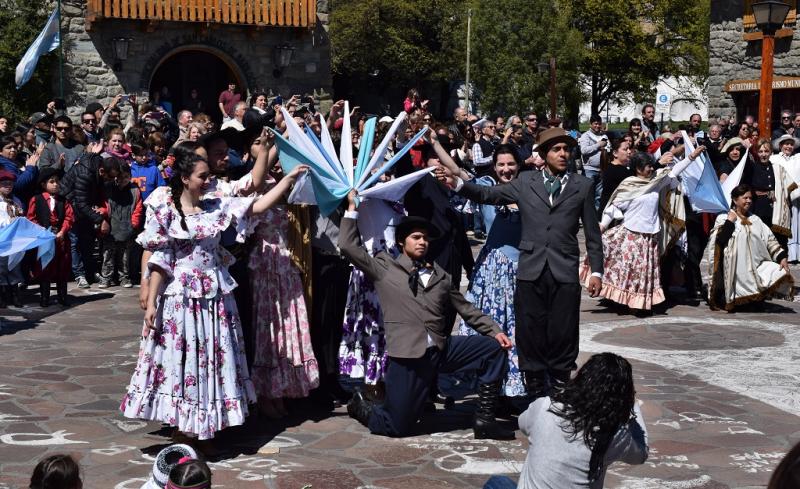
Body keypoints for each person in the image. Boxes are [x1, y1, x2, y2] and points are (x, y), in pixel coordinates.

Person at [120, 152, 308, 445]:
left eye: (209, 175)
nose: (209, 180)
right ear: (185, 179)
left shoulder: (216, 204)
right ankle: (183, 427)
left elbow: (256, 205)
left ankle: (202, 424)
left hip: (215, 297)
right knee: (183, 360)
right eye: (202, 176)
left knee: (210, 359)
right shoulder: (166, 210)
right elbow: (160, 259)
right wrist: (152, 299)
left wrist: (287, 180)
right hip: (181, 299)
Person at [340, 195, 515, 440]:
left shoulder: (441, 276)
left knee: (493, 348)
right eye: (416, 237)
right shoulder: (384, 267)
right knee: (396, 427)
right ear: (402, 241)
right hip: (407, 357)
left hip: (440, 350)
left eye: (425, 238)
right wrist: (351, 210)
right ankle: (362, 406)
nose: (422, 242)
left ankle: (484, 419)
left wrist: (494, 330)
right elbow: (349, 247)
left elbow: (466, 308)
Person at [450, 127, 604, 396]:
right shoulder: (525, 182)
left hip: (564, 269)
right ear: (543, 154)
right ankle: (533, 388)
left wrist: (597, 272)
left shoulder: (583, 186)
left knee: (563, 330)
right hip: (530, 268)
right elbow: (489, 195)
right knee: (530, 330)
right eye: (556, 149)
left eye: (566, 149)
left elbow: (592, 233)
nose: (563, 154)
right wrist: (459, 185)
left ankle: (559, 386)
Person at [438, 142, 525, 399]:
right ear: (494, 166)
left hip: (522, 271)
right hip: (491, 271)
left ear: (519, 165)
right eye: (501, 164)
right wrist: (434, 142)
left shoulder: (529, 190)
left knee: (518, 326)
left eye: (511, 164)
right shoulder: (486, 188)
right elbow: (456, 170)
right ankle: (486, 379)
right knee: (488, 324)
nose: (506, 169)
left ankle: (514, 380)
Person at [242, 133, 319, 418]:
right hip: (263, 262)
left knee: (288, 325)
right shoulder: (251, 186)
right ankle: (264, 391)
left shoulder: (283, 185)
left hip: (285, 261)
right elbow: (257, 182)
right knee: (267, 327)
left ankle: (283, 387)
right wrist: (276, 142)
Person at [581, 150, 696, 312]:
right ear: (637, 168)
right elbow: (615, 206)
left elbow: (675, 171)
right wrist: (603, 225)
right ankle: (627, 301)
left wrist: (692, 157)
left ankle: (639, 302)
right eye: (647, 166)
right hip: (631, 236)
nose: (650, 169)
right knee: (631, 271)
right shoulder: (629, 184)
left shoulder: (656, 182)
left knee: (644, 273)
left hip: (650, 238)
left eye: (650, 165)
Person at [516, 353, 648, 489]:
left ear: (581, 378)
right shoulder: (614, 434)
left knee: (498, 481)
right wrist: (633, 405)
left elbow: (522, 423)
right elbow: (641, 454)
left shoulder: (545, 407)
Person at [708, 184, 793, 311]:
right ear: (735, 200)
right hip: (735, 269)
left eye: (750, 198)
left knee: (779, 271)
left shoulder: (756, 219)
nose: (748, 201)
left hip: (756, 265)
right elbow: (719, 241)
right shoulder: (724, 218)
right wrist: (729, 222)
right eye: (745, 198)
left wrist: (781, 257)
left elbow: (770, 239)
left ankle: (755, 300)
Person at [60, 147, 120, 288]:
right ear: (101, 171)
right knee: (75, 242)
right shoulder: (85, 173)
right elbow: (80, 202)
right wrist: (101, 220)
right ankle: (79, 274)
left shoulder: (98, 170)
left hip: (84, 205)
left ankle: (90, 271)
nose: (112, 180)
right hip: (70, 204)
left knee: (88, 241)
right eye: (110, 177)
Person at [27, 168, 73, 307]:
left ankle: (62, 296)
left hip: (61, 239)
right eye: (51, 182)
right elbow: (31, 218)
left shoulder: (63, 200)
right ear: (43, 184)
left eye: (57, 182)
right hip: (44, 239)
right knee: (45, 267)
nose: (55, 184)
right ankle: (44, 297)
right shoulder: (37, 199)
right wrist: (43, 232)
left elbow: (69, 217)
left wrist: (62, 231)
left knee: (62, 267)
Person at [742, 138, 797, 253]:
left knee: (778, 241)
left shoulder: (777, 168)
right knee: (760, 239)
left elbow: (791, 187)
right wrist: (746, 149)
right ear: (757, 153)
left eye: (766, 151)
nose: (763, 154)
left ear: (771, 152)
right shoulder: (752, 167)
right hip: (758, 208)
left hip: (776, 208)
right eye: (761, 151)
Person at [98, 164, 143, 288]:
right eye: (120, 177)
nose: (123, 179)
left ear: (130, 176)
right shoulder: (108, 188)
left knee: (124, 256)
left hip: (127, 227)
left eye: (126, 176)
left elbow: (138, 209)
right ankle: (106, 277)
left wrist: (134, 224)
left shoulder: (134, 190)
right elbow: (103, 204)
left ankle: (124, 277)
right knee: (108, 254)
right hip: (111, 226)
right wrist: (103, 214)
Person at [0, 170, 25, 308]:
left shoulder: (16, 201)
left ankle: (15, 295)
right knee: (1, 267)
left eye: (10, 184)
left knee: (15, 266)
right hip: (2, 239)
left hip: (14, 239)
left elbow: (22, 215)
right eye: (4, 184)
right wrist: (10, 221)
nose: (8, 186)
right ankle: (3, 295)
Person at [578, 114, 607, 210]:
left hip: (602, 170)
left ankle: (597, 217)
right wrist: (598, 145)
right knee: (588, 194)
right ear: (590, 124)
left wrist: (606, 147)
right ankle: (587, 216)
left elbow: (609, 148)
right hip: (589, 170)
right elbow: (584, 150)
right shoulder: (585, 136)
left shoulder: (604, 136)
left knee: (599, 195)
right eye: (595, 124)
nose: (597, 126)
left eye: (599, 124)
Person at [598, 139, 632, 211]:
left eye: (629, 148)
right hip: (611, 215)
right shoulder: (619, 171)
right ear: (615, 153)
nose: (629, 151)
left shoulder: (611, 167)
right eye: (625, 149)